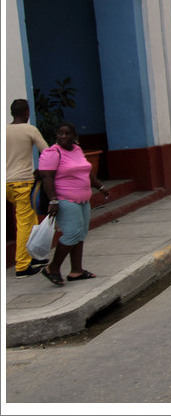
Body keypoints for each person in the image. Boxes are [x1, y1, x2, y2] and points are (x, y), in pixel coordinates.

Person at [39, 122, 110, 286]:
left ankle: (76, 271)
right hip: (65, 200)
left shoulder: (77, 150)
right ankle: (53, 268)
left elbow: (87, 171)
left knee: (81, 233)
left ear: (74, 136)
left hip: (83, 199)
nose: (63, 136)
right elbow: (46, 177)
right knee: (71, 233)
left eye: (67, 133)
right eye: (60, 133)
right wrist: (53, 200)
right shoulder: (52, 152)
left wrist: (100, 187)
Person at [6, 99, 50, 277]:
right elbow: (46, 151)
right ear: (27, 112)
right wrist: (41, 171)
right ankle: (22, 265)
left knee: (31, 220)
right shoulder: (29, 129)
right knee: (25, 224)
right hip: (23, 182)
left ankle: (32, 256)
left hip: (6, 183)